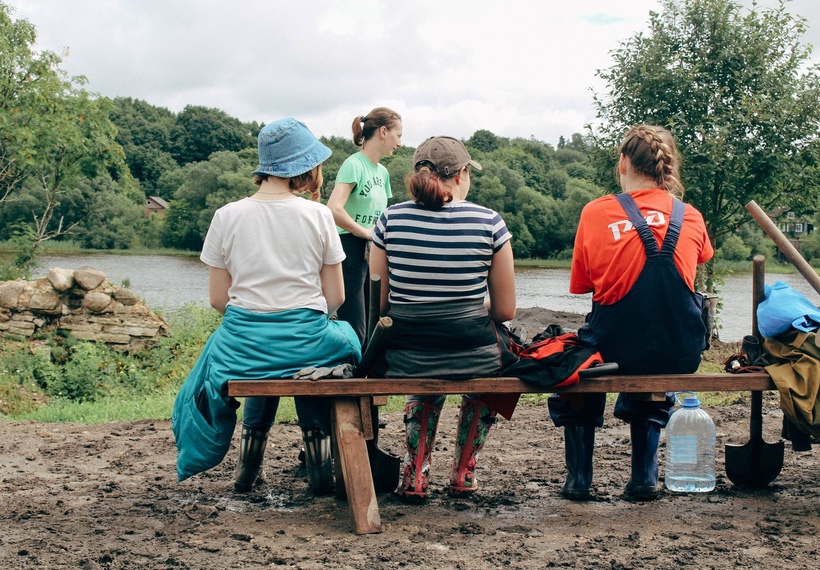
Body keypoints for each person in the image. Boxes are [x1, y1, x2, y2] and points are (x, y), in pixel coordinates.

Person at [171, 118, 361, 494]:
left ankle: (248, 468)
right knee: (345, 344)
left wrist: (261, 323)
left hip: (242, 347)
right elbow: (336, 298)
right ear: (304, 166)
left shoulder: (226, 216)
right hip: (306, 341)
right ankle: (320, 469)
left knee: (263, 359)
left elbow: (217, 300)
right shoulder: (318, 215)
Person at [550, 124, 714, 500]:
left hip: (615, 349)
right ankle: (644, 477)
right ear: (667, 167)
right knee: (648, 363)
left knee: (580, 358)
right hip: (679, 351)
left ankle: (578, 479)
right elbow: (699, 260)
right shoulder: (690, 215)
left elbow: (584, 286)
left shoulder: (595, 212)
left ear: (623, 162)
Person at [370, 136, 518, 501]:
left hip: (406, 354)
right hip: (472, 351)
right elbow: (504, 311)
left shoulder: (390, 218)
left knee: (426, 363)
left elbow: (381, 304)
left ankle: (414, 476)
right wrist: (467, 305)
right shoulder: (490, 222)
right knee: (491, 363)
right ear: (462, 174)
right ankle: (464, 474)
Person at [327, 107, 402, 345]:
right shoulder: (354, 165)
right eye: (398, 135)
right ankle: (352, 376)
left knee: (375, 319)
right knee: (355, 324)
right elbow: (333, 208)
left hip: (374, 251)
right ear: (383, 132)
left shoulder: (383, 172)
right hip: (349, 248)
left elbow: (381, 215)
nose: (400, 142)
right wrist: (365, 233)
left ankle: (371, 375)